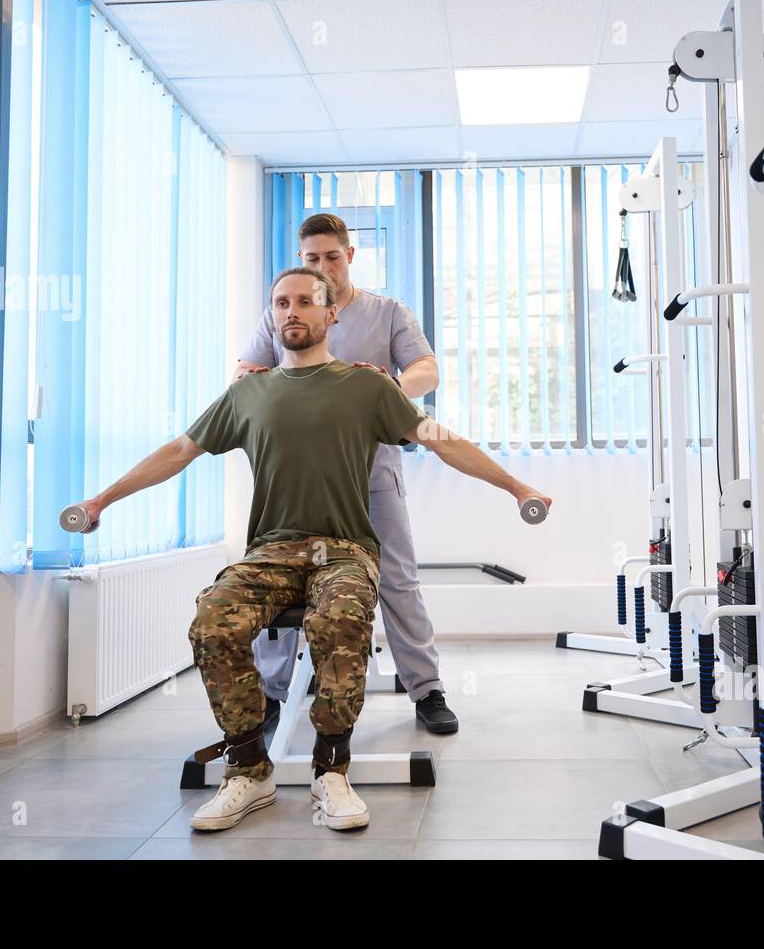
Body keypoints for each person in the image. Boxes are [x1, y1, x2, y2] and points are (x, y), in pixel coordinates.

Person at [69, 267, 552, 832]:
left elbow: (441, 441)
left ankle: (331, 770)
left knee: (339, 623)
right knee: (212, 621)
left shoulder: (370, 387)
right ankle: (249, 770)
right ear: (272, 317)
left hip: (344, 550)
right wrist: (102, 500)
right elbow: (179, 451)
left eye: (305, 302)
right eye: (281, 303)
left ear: (331, 316)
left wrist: (517, 487)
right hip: (270, 553)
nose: (292, 311)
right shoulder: (247, 393)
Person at [232, 213, 458, 733]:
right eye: (311, 258)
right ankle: (271, 693)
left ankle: (427, 690)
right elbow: (246, 373)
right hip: (294, 481)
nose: (323, 267)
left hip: (373, 474)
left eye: (332, 256)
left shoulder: (386, 312)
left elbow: (426, 369)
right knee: (282, 579)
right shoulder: (286, 312)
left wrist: (389, 388)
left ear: (350, 255)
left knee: (397, 579)